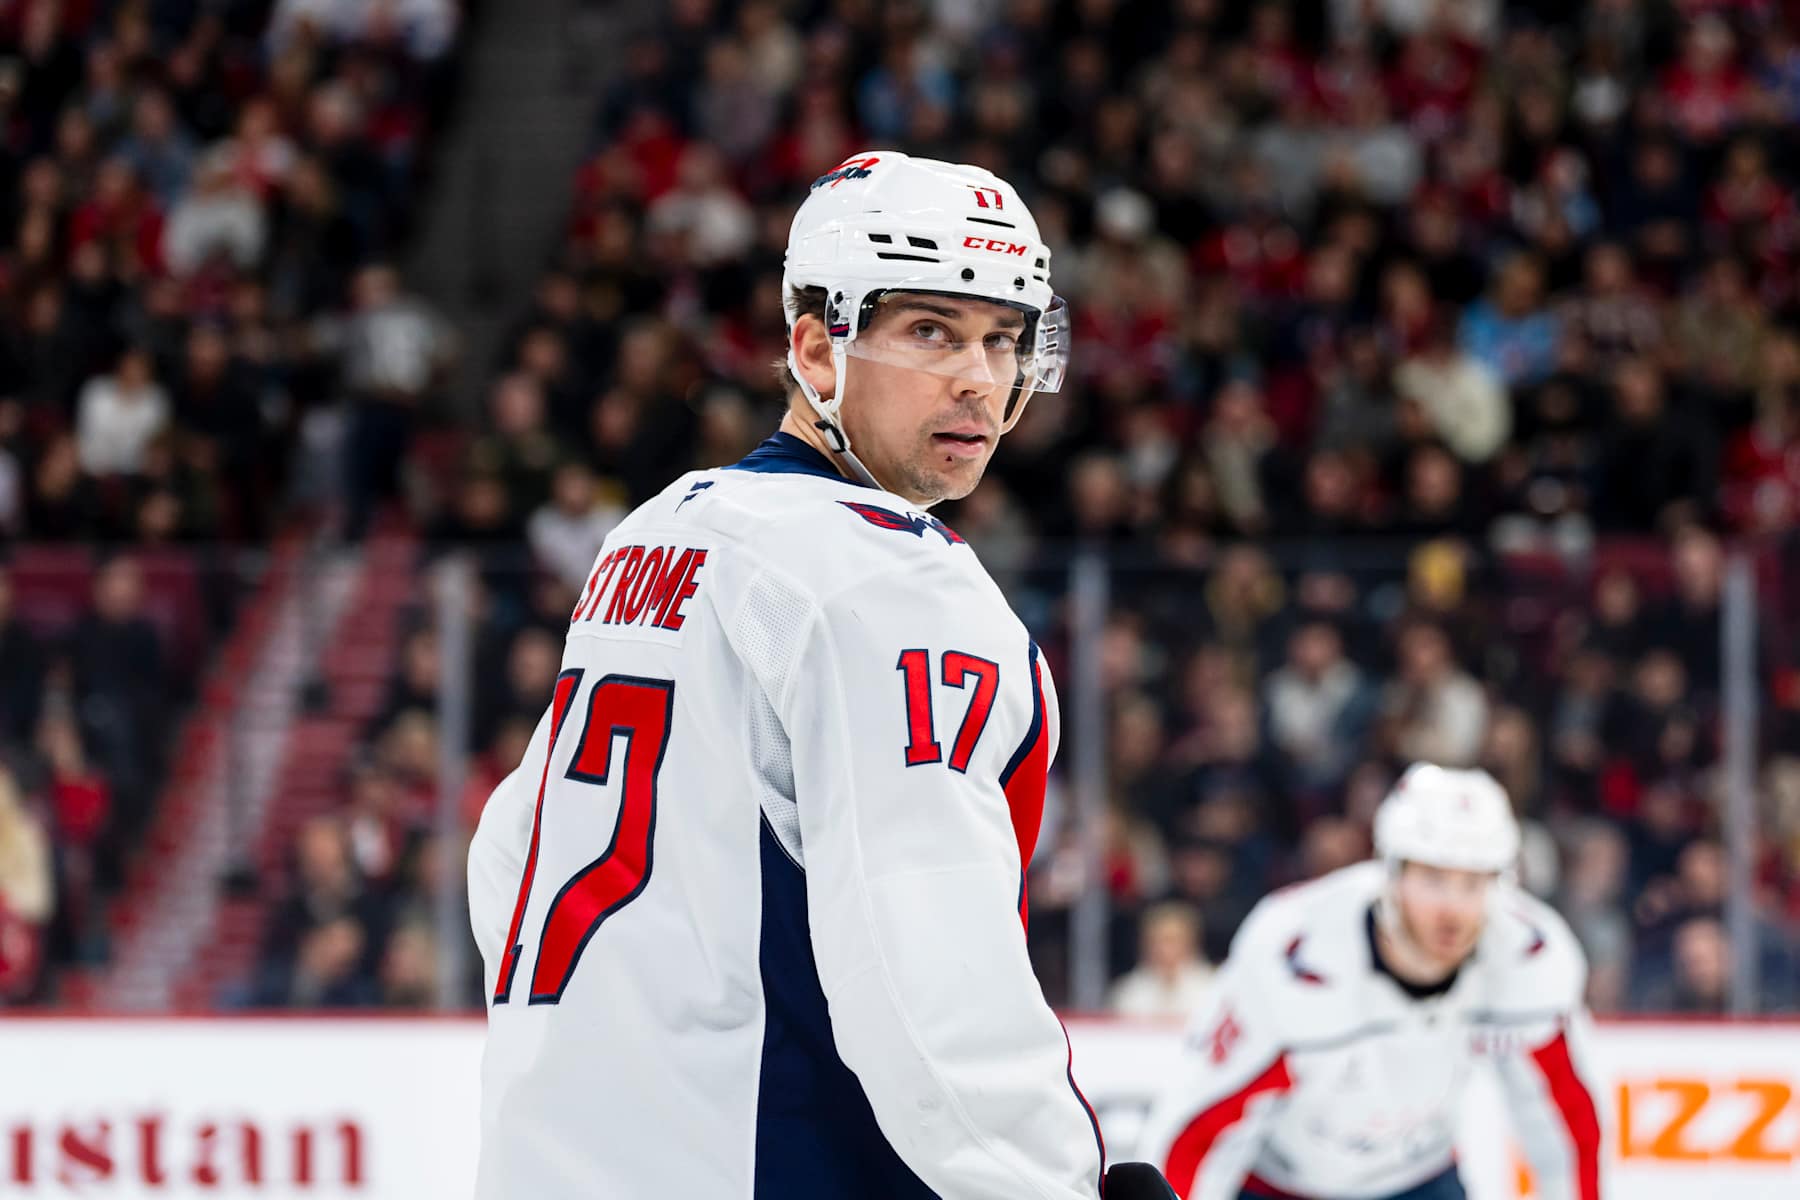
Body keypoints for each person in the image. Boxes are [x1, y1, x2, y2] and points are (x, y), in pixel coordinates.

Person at [467, 152, 1174, 1199]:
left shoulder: (656, 532)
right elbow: (925, 966)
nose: (979, 378)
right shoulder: (891, 582)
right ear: (815, 347)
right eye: (931, 330)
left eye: (1002, 338)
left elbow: (511, 857)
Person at [1136, 764, 1603, 1200]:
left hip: (1420, 1177)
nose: (1453, 909)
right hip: (1277, 1186)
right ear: (1392, 871)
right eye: (1434, 877)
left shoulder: (1529, 959)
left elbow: (1567, 1128)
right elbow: (1198, 1133)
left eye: (1473, 883)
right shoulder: (1295, 957)